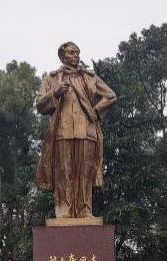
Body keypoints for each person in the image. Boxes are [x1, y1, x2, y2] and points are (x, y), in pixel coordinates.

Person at [35, 41, 117, 219]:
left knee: (85, 172)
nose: (76, 56)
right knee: (63, 172)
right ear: (62, 56)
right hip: (62, 131)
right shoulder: (52, 78)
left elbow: (111, 96)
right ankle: (64, 211)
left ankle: (85, 210)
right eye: (72, 53)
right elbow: (40, 105)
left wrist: (96, 111)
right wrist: (55, 93)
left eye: (77, 53)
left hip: (86, 131)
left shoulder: (89, 77)